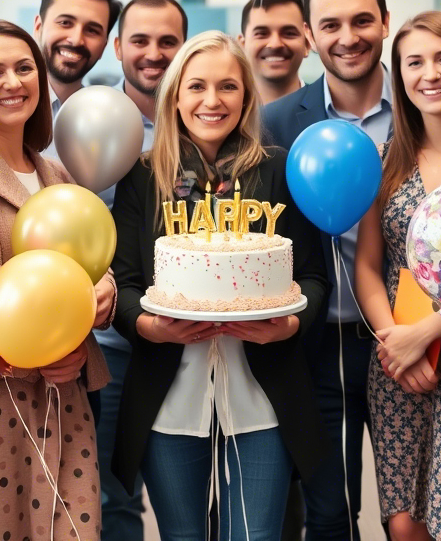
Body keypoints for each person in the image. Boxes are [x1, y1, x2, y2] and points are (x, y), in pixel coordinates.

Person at [110, 31, 330, 540]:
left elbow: (314, 277)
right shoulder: (143, 175)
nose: (212, 100)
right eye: (197, 86)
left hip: (263, 393)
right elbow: (123, 282)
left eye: (228, 86)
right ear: (175, 96)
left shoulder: (278, 170)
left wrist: (290, 324)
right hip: (168, 394)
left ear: (247, 96)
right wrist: (147, 326)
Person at [0, 20, 116, 540]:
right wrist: (61, 332)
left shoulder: (54, 173)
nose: (13, 82)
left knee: (76, 530)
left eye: (23, 68)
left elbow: (87, 261)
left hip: (65, 392)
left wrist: (103, 294)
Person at [354, 11, 441, 541]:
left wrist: (426, 334)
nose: (430, 74)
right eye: (414, 62)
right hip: (396, 361)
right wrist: (394, 342)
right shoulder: (386, 158)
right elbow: (368, 265)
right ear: (399, 75)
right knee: (404, 524)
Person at [263, 0, 391, 541]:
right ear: (310, 36)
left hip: (412, 341)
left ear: (385, 21)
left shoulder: (425, 105)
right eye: (330, 25)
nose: (348, 37)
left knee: (416, 513)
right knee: (332, 513)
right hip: (315, 345)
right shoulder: (275, 123)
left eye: (362, 20)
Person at [96, 0, 186, 540]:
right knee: (113, 496)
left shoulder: (205, 120)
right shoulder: (88, 121)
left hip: (194, 342)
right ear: (118, 47)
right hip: (111, 347)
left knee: (189, 498)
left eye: (167, 41)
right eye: (140, 40)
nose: (153, 53)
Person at [33, 0, 122, 161]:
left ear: (103, 46)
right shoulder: (3, 107)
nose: (76, 40)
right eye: (65, 23)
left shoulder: (110, 121)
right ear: (38, 28)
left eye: (92, 30)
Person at [238, 0, 310, 104]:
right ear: (242, 46)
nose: (275, 44)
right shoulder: (226, 111)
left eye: (289, 33)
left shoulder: (330, 111)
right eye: (262, 34)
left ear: (307, 44)